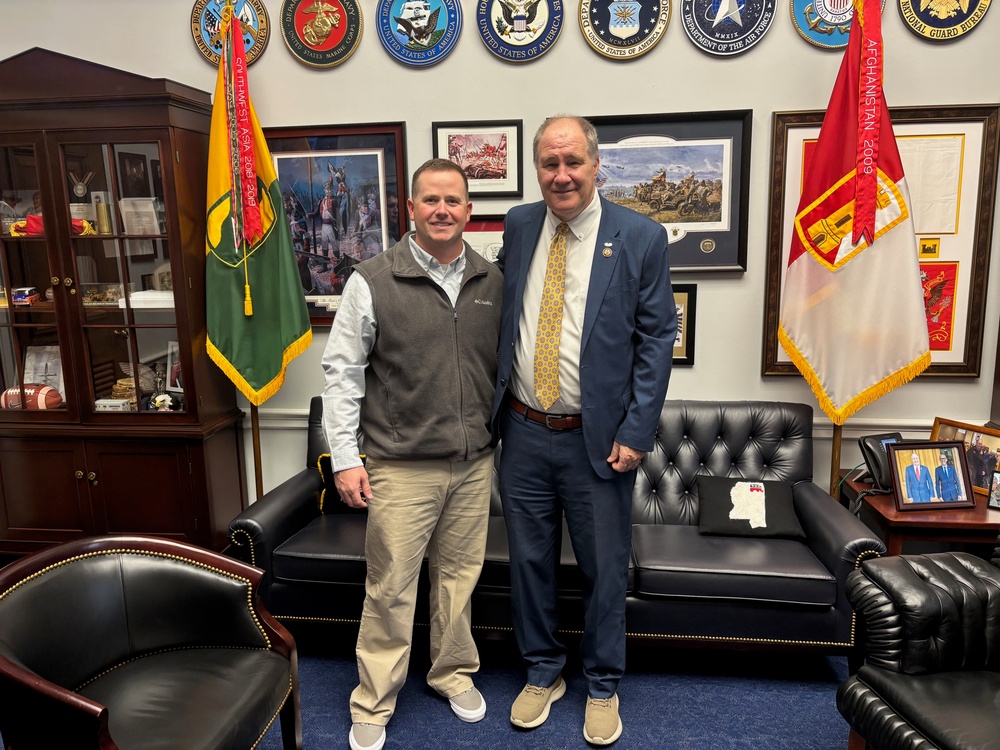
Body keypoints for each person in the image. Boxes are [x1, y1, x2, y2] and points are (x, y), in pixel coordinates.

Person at [490, 115, 677, 746]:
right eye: (549, 163)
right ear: (536, 169)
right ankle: (543, 671)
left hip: (598, 439)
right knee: (530, 563)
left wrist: (637, 427)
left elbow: (657, 337)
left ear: (597, 166)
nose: (561, 175)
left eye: (573, 162)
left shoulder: (640, 236)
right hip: (520, 431)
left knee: (603, 568)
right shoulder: (518, 226)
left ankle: (602, 682)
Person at [322, 158, 503, 750]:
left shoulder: (490, 279)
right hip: (400, 468)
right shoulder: (371, 279)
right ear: (411, 209)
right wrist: (346, 458)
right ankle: (372, 700)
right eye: (431, 201)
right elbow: (342, 374)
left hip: (473, 465)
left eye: (453, 201)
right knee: (391, 587)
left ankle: (453, 673)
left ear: (469, 210)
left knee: (458, 580)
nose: (442, 211)